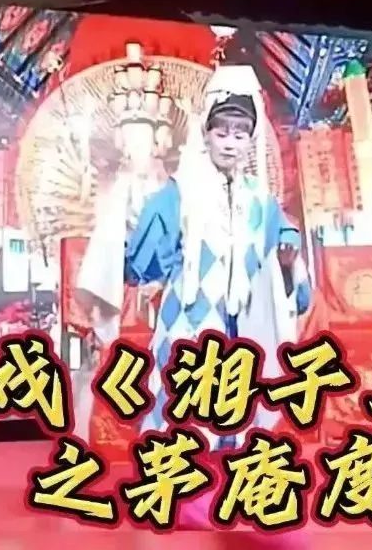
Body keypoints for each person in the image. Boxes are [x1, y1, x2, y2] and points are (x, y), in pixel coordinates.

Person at [123, 66, 312, 538]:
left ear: (251, 140)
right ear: (205, 134)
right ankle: (176, 496)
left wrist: (288, 253)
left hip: (240, 321)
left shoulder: (260, 200)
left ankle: (231, 494)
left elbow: (284, 239)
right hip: (187, 319)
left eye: (240, 133)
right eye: (221, 132)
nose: (230, 142)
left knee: (236, 406)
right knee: (183, 401)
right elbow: (142, 260)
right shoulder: (178, 191)